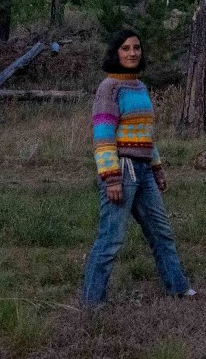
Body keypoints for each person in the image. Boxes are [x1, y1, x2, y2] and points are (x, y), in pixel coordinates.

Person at [81, 29, 195, 306]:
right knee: (111, 239)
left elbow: (146, 135)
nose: (132, 53)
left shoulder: (140, 87)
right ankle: (91, 302)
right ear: (116, 53)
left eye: (136, 47)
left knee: (161, 232)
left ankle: (178, 287)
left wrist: (157, 168)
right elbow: (103, 136)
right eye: (125, 48)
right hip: (122, 170)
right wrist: (111, 178)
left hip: (144, 171)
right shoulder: (109, 88)